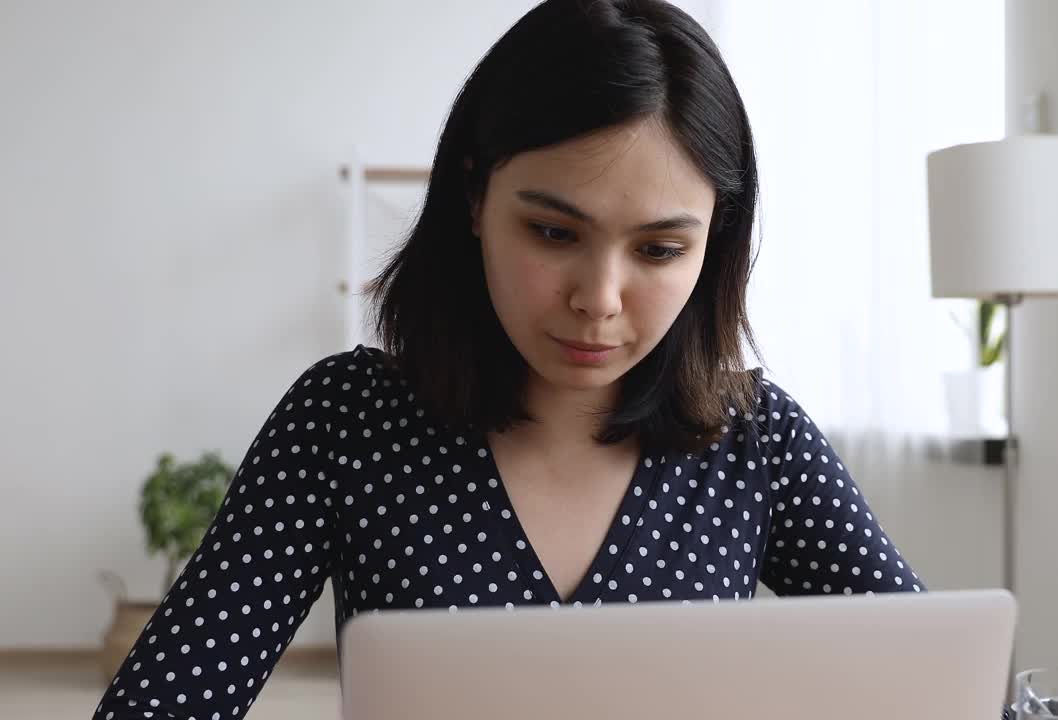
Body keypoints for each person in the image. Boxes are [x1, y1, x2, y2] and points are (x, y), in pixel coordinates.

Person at [92, 1, 922, 718]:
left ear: (714, 247)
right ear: (474, 197)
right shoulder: (346, 420)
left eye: (661, 249)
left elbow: (934, 687)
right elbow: (163, 702)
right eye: (554, 233)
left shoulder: (754, 441)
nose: (599, 298)